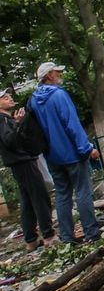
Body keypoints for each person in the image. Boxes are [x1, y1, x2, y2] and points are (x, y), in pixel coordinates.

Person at [29, 63, 101, 245]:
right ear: (50, 76)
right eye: (57, 72)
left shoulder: (33, 101)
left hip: (52, 156)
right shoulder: (59, 95)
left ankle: (67, 237)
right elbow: (72, 124)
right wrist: (86, 148)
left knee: (62, 195)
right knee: (83, 192)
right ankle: (92, 234)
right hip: (72, 153)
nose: (60, 74)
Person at [0, 86, 56, 251]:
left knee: (27, 201)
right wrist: (18, 124)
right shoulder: (3, 121)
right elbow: (10, 141)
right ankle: (49, 236)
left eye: (9, 95)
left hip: (21, 162)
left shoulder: (6, 119)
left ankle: (31, 239)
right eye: (4, 97)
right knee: (39, 196)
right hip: (22, 162)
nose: (9, 98)